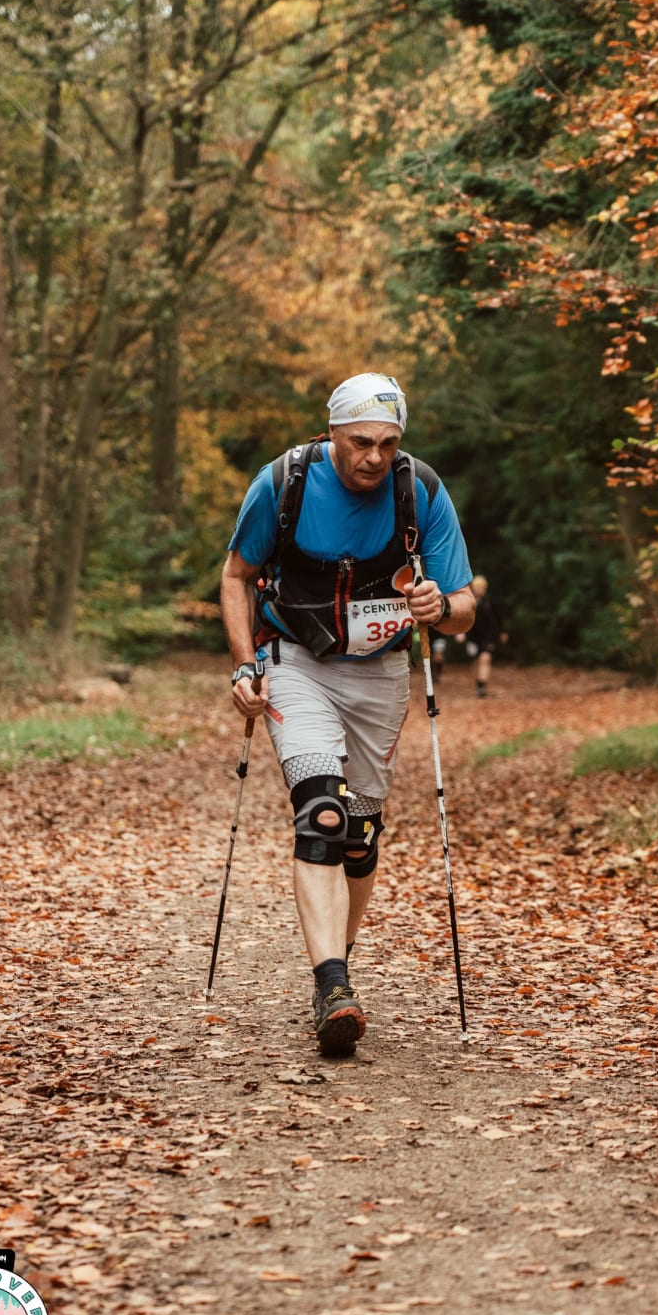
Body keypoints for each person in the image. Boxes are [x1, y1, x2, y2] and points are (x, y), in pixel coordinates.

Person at [221, 372, 475, 1055]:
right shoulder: (284, 482)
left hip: (380, 673)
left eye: (387, 443)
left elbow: (463, 605)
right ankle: (333, 986)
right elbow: (237, 575)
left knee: (359, 834)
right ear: (331, 431)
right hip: (295, 662)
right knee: (322, 815)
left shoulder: (420, 490)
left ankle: (339, 963)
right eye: (361, 441)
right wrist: (244, 665)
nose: (374, 457)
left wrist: (441, 608)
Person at [461, 574, 507, 697]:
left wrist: (502, 632)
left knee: (485, 658)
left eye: (481, 587)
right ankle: (478, 683)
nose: (478, 589)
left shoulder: (490, 602)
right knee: (476, 661)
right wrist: (461, 633)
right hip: (472, 636)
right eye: (476, 587)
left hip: (488, 636)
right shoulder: (469, 602)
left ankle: (482, 686)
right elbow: (462, 618)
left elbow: (499, 618)